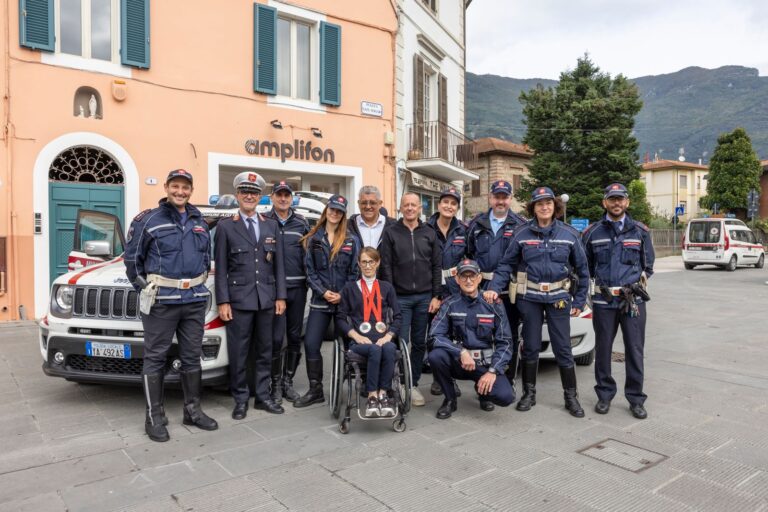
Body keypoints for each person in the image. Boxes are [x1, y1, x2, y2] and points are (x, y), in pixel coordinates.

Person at [124, 169, 218, 442]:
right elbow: (132, 261)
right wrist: (144, 288)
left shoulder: (199, 220)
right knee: (155, 358)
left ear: (191, 190)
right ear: (166, 187)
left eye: (185, 187)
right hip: (162, 302)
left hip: (193, 301)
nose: (180, 191)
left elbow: (204, 258)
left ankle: (193, 410)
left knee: (191, 357)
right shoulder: (148, 220)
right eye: (175, 186)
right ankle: (154, 416)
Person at [485, 186, 589, 417]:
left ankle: (571, 397)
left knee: (563, 348)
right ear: (533, 208)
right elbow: (505, 265)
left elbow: (583, 270)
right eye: (539, 204)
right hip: (530, 298)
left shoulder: (569, 234)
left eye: (548, 203)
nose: (544, 207)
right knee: (530, 346)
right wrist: (493, 288)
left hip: (559, 299)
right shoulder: (521, 234)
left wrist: (580, 301)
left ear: (555, 207)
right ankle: (528, 394)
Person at [215, 172, 287, 418]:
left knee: (265, 349)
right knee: (239, 352)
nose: (249, 196)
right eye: (245, 191)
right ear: (237, 195)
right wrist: (223, 300)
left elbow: (279, 265)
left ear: (260, 197)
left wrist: (280, 297)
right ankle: (241, 399)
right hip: (238, 300)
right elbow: (221, 268)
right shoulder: (226, 226)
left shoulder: (271, 224)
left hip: (266, 298)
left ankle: (263, 397)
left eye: (254, 192)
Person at [582, 183, 655, 419]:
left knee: (634, 349)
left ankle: (636, 398)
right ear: (605, 202)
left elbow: (649, 265)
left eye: (620, 199)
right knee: (603, 349)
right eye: (612, 199)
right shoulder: (593, 233)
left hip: (632, 301)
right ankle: (604, 395)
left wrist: (637, 285)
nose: (616, 203)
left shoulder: (640, 231)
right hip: (604, 301)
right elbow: (586, 267)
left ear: (627, 202)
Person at [428, 259, 515, 419]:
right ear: (457, 279)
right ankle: (450, 399)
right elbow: (434, 336)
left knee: (506, 396)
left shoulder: (493, 304)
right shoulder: (449, 304)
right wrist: (460, 351)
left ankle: (483, 392)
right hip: (460, 362)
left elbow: (506, 342)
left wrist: (492, 371)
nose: (468, 280)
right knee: (436, 356)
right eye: (464, 276)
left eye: (472, 276)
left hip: (485, 364)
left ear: (479, 278)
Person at [295, 195, 360, 408]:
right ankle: (316, 389)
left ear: (343, 215)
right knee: (312, 344)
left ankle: (346, 383)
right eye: (332, 209)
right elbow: (310, 272)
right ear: (326, 211)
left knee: (348, 346)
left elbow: (355, 272)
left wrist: (342, 293)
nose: (334, 213)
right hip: (320, 303)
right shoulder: (313, 238)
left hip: (343, 303)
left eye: (339, 211)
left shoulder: (351, 239)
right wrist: (323, 292)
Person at [379, 192, 442, 407]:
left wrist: (436, 295)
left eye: (413, 205)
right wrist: (391, 296)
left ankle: (412, 384)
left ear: (419, 209)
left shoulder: (429, 233)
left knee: (420, 343)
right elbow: (385, 266)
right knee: (401, 342)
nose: (410, 208)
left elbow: (436, 266)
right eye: (406, 205)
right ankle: (398, 382)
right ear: (400, 208)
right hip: (400, 298)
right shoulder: (391, 233)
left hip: (425, 298)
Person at [466, 180, 527, 392]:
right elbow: (469, 253)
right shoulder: (476, 224)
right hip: (480, 289)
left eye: (505, 197)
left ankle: (506, 380)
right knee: (481, 334)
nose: (500, 201)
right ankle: (482, 381)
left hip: (508, 291)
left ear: (510, 199)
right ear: (490, 198)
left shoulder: (520, 225)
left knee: (508, 335)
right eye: (497, 196)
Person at [336, 247, 402, 417]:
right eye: (364, 262)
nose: (367, 266)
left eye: (371, 261)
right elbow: (340, 318)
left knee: (388, 348)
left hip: (383, 339)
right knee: (375, 349)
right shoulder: (350, 288)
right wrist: (356, 336)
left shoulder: (387, 288)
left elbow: (398, 317)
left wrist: (388, 336)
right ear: (358, 263)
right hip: (360, 343)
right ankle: (372, 396)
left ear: (377, 263)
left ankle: (383, 394)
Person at [265, 181, 311, 403]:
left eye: (287, 195)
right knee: (275, 339)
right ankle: (274, 385)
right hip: (273, 290)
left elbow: (308, 255)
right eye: (279, 195)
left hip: (297, 288)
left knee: (294, 337)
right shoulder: (264, 221)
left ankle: (287, 382)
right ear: (272, 197)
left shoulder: (301, 223)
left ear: (292, 198)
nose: (283, 199)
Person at [426, 186, 469, 398]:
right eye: (446, 202)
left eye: (453, 203)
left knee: (454, 335)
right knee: (434, 335)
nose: (449, 206)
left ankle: (451, 377)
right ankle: (437, 378)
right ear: (439, 203)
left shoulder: (463, 230)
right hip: (432, 290)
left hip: (455, 290)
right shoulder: (426, 228)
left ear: (457, 207)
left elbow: (470, 259)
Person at [348, 185, 397, 250]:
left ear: (380, 204)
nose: (368, 206)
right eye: (364, 203)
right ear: (358, 203)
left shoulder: (393, 226)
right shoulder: (348, 226)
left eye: (372, 203)